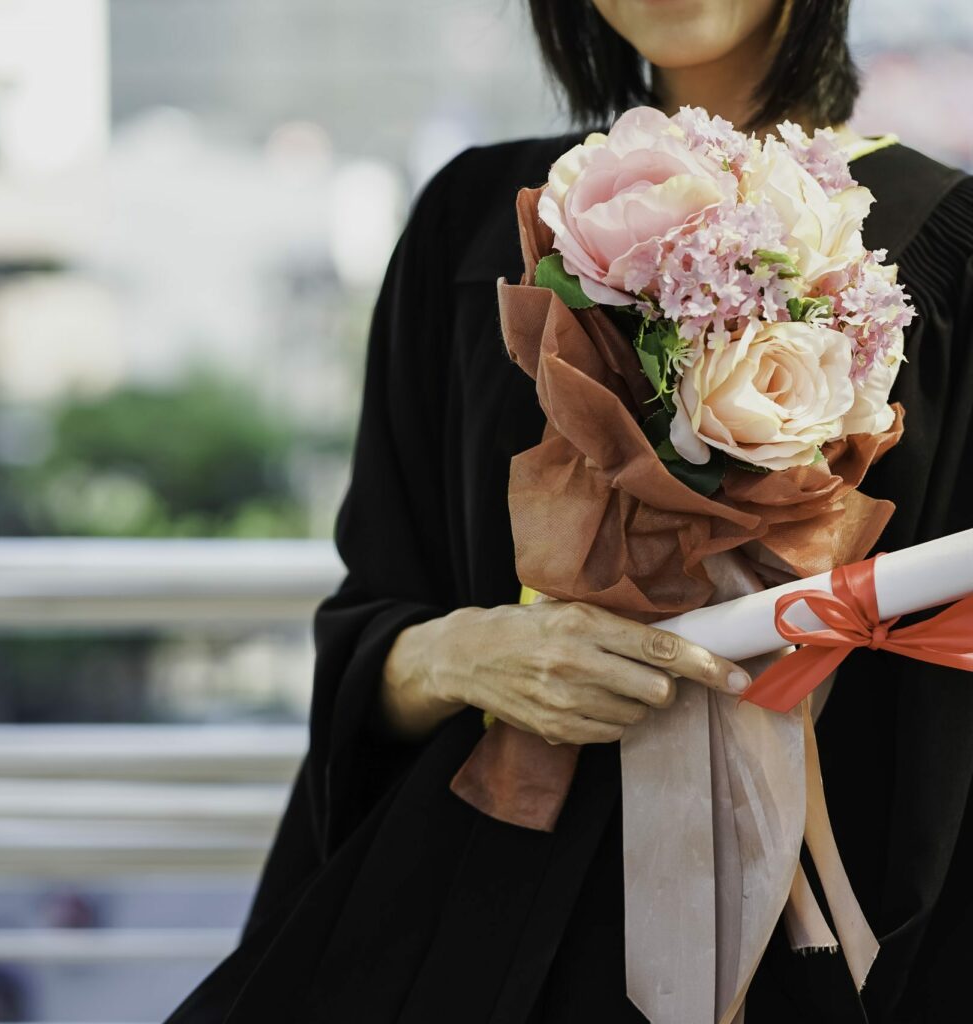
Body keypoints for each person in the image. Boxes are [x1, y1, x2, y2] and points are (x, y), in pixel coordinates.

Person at [165, 1, 973, 1021]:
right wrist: (463, 654)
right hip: (462, 929)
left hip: (802, 955)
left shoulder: (942, 256)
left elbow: (944, 736)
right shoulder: (472, 220)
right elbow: (376, 616)